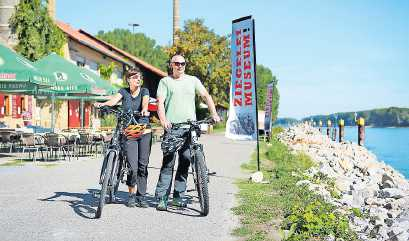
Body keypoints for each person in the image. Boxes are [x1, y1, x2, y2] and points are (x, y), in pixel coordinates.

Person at [155, 54, 221, 211]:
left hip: (190, 127)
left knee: (185, 161)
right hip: (172, 127)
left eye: (182, 63)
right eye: (177, 63)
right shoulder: (165, 82)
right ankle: (163, 198)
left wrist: (214, 113)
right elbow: (160, 103)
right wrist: (163, 120)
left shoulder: (193, 80)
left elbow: (206, 96)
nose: (180, 66)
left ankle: (178, 196)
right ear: (171, 64)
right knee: (168, 163)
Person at [94, 67, 151, 208]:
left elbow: (145, 103)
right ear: (128, 79)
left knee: (143, 165)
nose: (138, 79)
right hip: (130, 131)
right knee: (133, 166)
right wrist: (102, 104)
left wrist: (144, 110)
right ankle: (131, 194)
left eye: (139, 77)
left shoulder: (144, 91)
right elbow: (113, 101)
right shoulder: (123, 92)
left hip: (143, 130)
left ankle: (141, 196)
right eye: (135, 77)